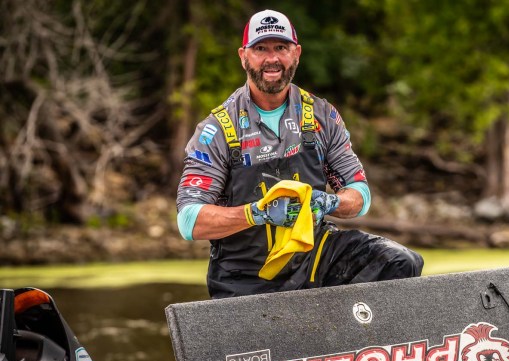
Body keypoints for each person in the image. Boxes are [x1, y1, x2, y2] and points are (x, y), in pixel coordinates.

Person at [175, 9, 424, 299]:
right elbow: (189, 220)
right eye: (260, 49)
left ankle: (356, 327)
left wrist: (329, 203)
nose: (272, 59)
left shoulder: (321, 115)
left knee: (400, 262)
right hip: (244, 275)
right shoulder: (218, 129)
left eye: (281, 48)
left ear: (297, 54)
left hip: (314, 258)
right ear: (243, 56)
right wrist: (257, 213)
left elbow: (360, 194)